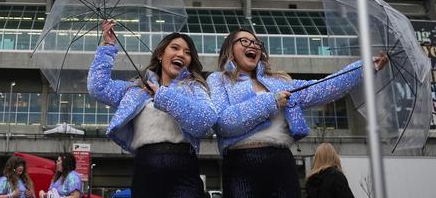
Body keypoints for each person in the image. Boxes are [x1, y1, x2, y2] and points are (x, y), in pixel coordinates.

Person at [207, 29, 388, 198]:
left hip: (281, 162)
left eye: (256, 43)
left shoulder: (279, 82)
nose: (253, 46)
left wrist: (364, 67)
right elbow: (223, 122)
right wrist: (272, 101)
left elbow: (323, 88)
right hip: (240, 165)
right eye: (244, 41)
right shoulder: (218, 80)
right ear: (230, 49)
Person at [87, 19, 216, 198]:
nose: (181, 54)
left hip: (183, 165)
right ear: (161, 55)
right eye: (175, 48)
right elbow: (98, 87)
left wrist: (163, 96)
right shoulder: (137, 89)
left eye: (187, 52)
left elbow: (205, 120)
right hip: (145, 166)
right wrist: (108, 46)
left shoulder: (194, 87)